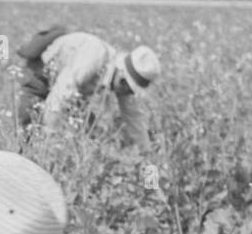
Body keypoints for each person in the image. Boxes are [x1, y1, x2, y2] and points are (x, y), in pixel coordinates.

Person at [17, 26, 159, 148]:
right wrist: (48, 136)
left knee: (89, 133)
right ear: (122, 79)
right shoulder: (94, 57)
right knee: (27, 128)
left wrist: (145, 152)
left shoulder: (121, 80)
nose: (126, 93)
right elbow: (60, 96)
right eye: (128, 89)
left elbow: (133, 117)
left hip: (69, 89)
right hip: (40, 75)